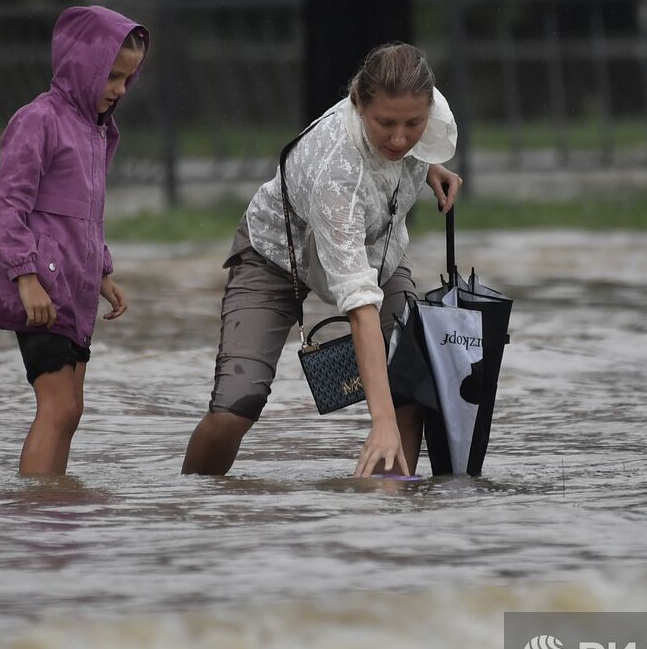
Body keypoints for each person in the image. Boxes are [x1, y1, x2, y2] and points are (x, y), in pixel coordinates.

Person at [181, 42, 462, 478]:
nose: (401, 138)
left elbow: (409, 142)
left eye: (414, 124)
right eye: (385, 124)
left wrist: (427, 168)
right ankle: (192, 503)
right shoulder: (335, 168)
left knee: (409, 388)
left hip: (376, 249)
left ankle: (390, 516)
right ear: (358, 102)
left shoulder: (424, 111)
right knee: (237, 406)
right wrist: (379, 423)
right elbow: (360, 308)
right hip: (276, 258)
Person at [0, 5, 149, 475]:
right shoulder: (38, 120)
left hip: (75, 291)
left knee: (71, 410)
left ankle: (55, 504)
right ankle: (36, 505)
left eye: (128, 80)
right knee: (57, 407)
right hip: (39, 290)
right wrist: (25, 278)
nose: (119, 90)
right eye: (112, 76)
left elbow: (85, 217)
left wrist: (101, 272)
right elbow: (7, 205)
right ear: (81, 65)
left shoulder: (99, 132)